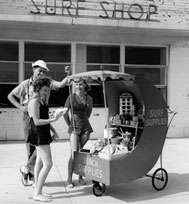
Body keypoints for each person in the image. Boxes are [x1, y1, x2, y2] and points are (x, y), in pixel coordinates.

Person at [7, 60, 70, 186]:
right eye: (39, 70)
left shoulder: (47, 83)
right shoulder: (25, 84)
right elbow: (10, 96)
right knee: (31, 143)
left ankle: (28, 169)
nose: (41, 73)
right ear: (33, 69)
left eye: (44, 71)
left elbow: (61, 85)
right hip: (28, 115)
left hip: (42, 112)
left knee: (40, 145)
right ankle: (32, 173)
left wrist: (68, 74)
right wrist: (20, 107)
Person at [27, 76, 66, 202]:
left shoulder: (41, 100)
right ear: (38, 89)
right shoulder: (34, 101)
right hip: (39, 134)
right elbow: (37, 121)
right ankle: (37, 193)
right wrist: (54, 119)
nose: (46, 92)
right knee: (48, 164)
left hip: (43, 132)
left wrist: (53, 131)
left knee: (39, 162)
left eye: (47, 90)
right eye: (44, 90)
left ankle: (37, 190)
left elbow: (44, 118)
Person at [63, 78, 93, 188]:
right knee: (73, 153)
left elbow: (88, 113)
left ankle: (80, 177)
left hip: (85, 127)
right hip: (74, 127)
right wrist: (69, 124)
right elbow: (65, 113)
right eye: (76, 84)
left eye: (81, 84)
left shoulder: (89, 98)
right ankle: (69, 179)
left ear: (85, 85)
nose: (78, 86)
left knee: (82, 153)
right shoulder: (71, 97)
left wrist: (83, 121)